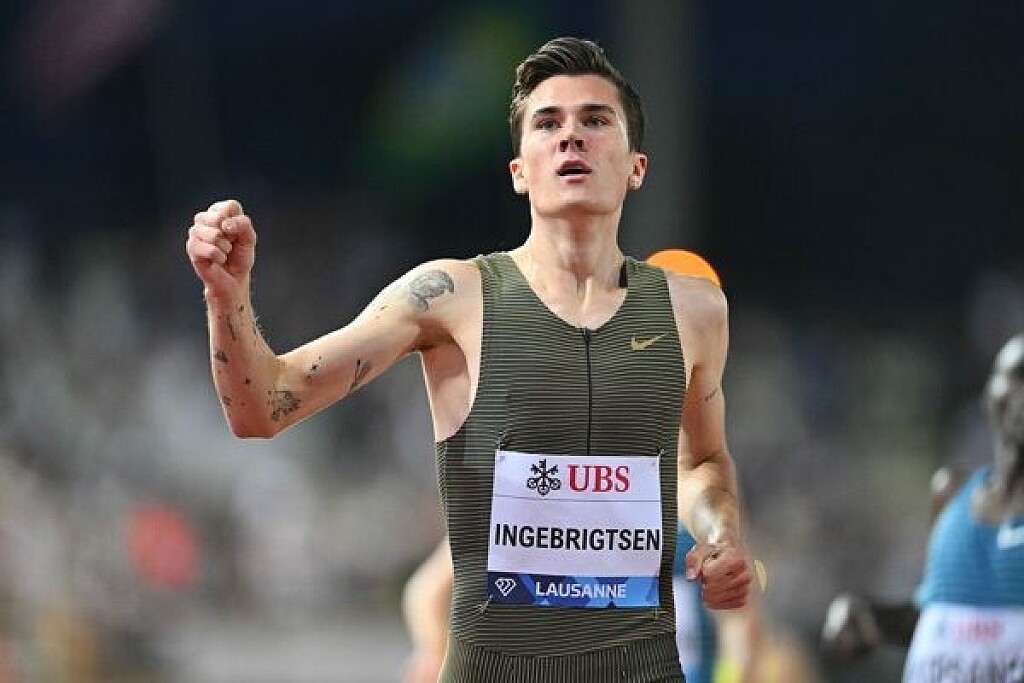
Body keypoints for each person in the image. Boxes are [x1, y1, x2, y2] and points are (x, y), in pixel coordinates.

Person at [186, 36, 752, 682]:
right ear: (518, 171)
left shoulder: (693, 310)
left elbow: (701, 462)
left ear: (636, 166)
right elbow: (263, 405)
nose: (571, 136)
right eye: (548, 123)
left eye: (596, 120)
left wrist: (720, 534)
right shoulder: (450, 298)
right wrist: (226, 297)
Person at [822, 332, 1024, 681]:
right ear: (989, 394)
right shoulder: (952, 492)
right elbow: (932, 611)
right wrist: (871, 620)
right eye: (1016, 377)